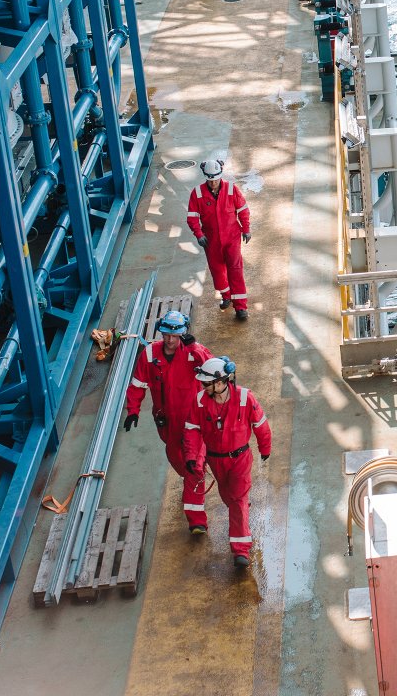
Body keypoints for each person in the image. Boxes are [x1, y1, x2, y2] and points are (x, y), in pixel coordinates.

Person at [124, 311, 213, 534]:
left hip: (194, 422)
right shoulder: (150, 354)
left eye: (175, 336)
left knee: (193, 465)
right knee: (177, 459)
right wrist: (133, 411)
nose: (170, 340)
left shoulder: (193, 353)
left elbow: (212, 368)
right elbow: (137, 384)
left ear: (183, 334)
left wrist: (195, 348)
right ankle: (194, 474)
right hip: (166, 423)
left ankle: (196, 521)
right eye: (166, 335)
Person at [182, 356, 272, 568]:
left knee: (238, 500)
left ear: (221, 382)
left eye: (207, 383)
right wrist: (192, 457)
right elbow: (192, 432)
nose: (203, 387)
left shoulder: (245, 398)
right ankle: (240, 520)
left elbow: (261, 424)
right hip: (216, 461)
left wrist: (264, 448)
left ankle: (241, 551)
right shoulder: (200, 402)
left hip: (240, 459)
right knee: (229, 498)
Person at [187, 158, 252, 321]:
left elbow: (243, 210)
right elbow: (192, 217)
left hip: (232, 238)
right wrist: (199, 234)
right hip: (211, 240)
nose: (213, 183)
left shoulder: (231, 189)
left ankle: (241, 307)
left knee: (235, 270)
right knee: (217, 271)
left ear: (220, 175)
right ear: (206, 177)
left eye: (215, 179)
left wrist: (246, 229)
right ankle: (226, 296)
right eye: (210, 180)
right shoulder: (197, 193)